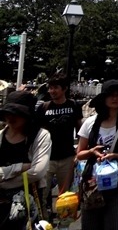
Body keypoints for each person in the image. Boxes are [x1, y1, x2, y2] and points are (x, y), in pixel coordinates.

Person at [76, 80, 118, 230]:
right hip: (92, 183)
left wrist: (115, 155)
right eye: (111, 95)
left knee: (114, 225)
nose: (115, 98)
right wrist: (92, 152)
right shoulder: (90, 122)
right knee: (90, 225)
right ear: (103, 99)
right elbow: (79, 154)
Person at [0, 91, 52, 230]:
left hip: (29, 202)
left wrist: (3, 183)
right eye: (8, 112)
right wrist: (20, 167)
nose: (10, 117)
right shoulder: (0, 135)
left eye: (16, 113)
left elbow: (37, 172)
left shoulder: (41, 136)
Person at [36, 73, 83, 219]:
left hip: (67, 157)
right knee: (42, 195)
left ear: (64, 89)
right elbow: (36, 133)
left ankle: (64, 224)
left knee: (65, 197)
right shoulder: (43, 108)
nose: (52, 91)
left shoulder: (73, 106)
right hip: (46, 158)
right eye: (50, 88)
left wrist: (79, 152)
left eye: (55, 87)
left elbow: (81, 130)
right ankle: (43, 223)